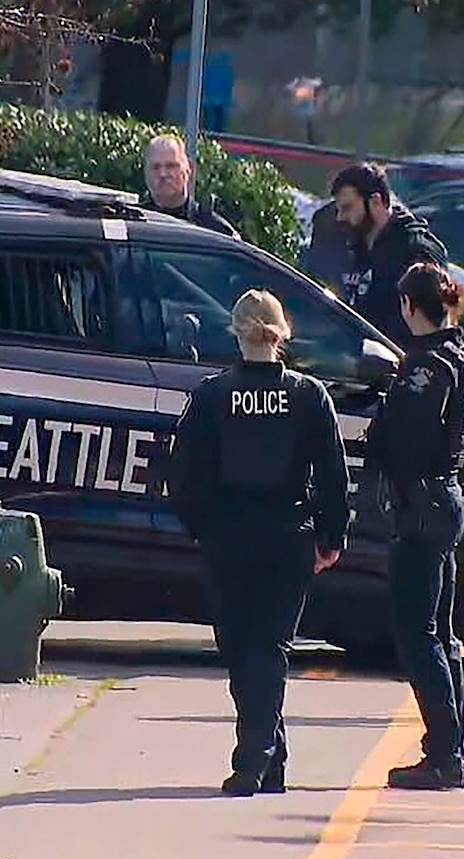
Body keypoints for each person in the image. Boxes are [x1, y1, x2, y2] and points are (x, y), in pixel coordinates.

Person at [167, 289, 351, 796]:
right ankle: (272, 762)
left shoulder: (211, 396)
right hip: (287, 534)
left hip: (228, 536)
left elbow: (183, 475)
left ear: (235, 331)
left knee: (242, 649)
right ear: (282, 334)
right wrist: (332, 537)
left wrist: (199, 528)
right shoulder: (309, 395)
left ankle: (251, 760)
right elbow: (333, 474)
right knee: (268, 648)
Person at [363, 261, 464, 790]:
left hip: (422, 505)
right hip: (444, 499)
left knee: (418, 634)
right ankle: (449, 748)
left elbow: (405, 438)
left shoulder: (427, 366)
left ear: (410, 306)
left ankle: (445, 754)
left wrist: (380, 422)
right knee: (441, 633)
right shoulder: (459, 356)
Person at [329, 163, 450, 342]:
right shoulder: (357, 250)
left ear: (376, 201)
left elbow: (431, 329)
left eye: (347, 208)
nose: (340, 217)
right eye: (339, 210)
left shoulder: (416, 252)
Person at [142, 134, 240, 238]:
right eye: (155, 167)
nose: (163, 174)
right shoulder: (135, 223)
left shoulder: (214, 230)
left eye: (171, 166)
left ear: (189, 170)